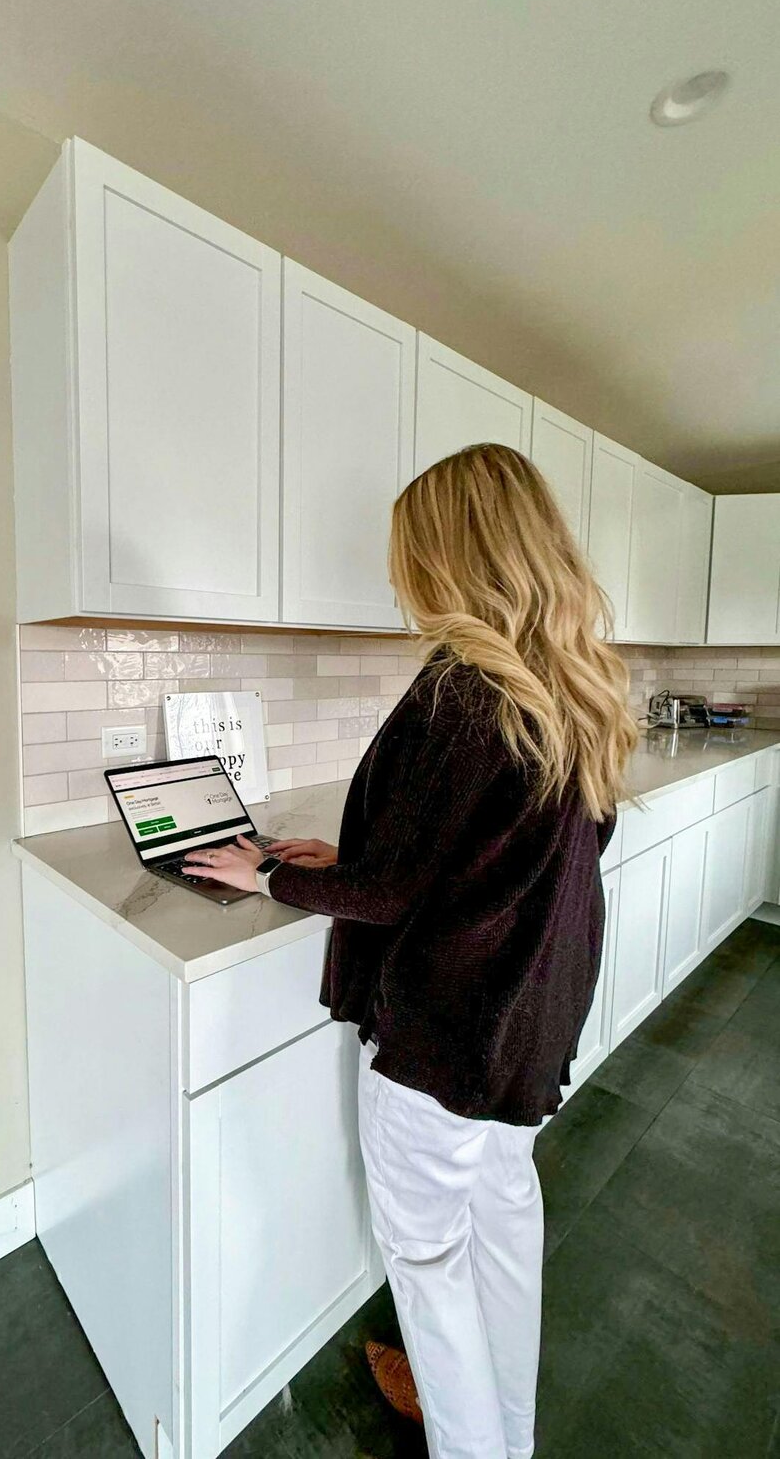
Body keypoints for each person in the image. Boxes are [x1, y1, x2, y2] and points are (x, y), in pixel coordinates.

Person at [183, 443, 637, 1459]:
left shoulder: (461, 688)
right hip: (526, 1027)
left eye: (408, 552)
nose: (398, 576)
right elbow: (523, 849)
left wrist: (268, 874)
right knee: (504, 1232)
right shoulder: (566, 686)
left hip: (447, 1033)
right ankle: (507, 1437)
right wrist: (356, 854)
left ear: (448, 557)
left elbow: (392, 894)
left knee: (428, 1266)